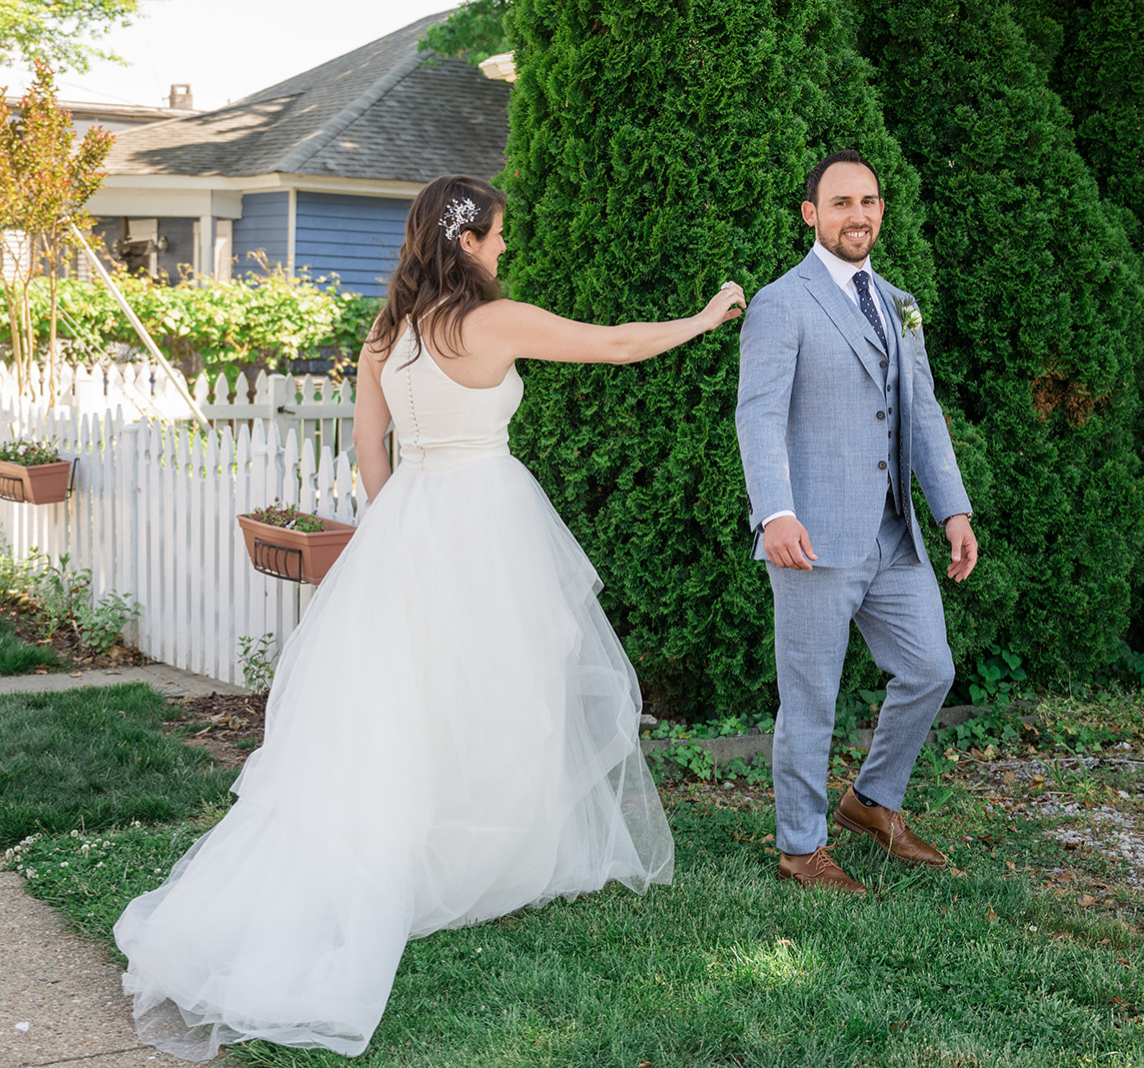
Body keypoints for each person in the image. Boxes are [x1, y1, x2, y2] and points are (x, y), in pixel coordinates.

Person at [112, 174, 746, 1061]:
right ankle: (483, 853)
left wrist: (394, 527)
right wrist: (706, 317)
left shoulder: (388, 333)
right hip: (487, 519)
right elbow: (614, 344)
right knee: (497, 688)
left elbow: (369, 445)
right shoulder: (490, 321)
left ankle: (439, 845)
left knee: (405, 704)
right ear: (466, 241)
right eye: (495, 236)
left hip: (410, 517)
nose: (503, 250)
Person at [735, 149, 978, 894]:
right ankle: (800, 847)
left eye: (868, 202)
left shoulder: (900, 301)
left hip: (894, 532)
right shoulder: (783, 302)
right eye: (841, 203)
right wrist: (774, 511)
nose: (858, 215)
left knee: (931, 668)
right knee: (811, 697)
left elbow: (924, 410)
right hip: (812, 536)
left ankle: (871, 801)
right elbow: (759, 414)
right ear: (812, 214)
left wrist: (953, 508)